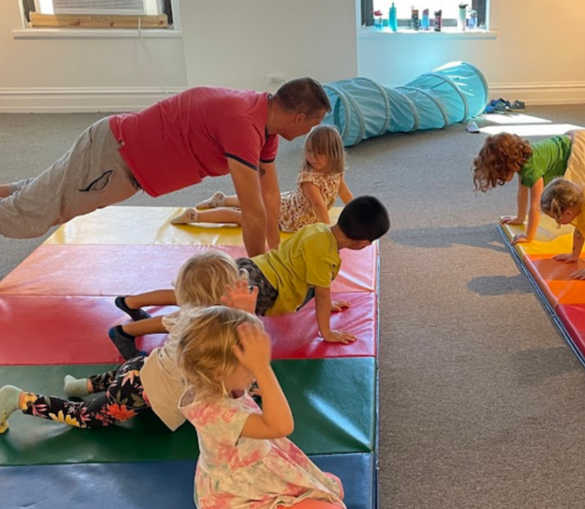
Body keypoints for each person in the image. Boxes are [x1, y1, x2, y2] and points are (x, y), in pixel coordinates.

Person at [0, 79, 331, 256]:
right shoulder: (245, 124)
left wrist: (273, 251)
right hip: (112, 161)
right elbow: (252, 208)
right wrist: (262, 272)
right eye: (311, 125)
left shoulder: (264, 126)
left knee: (38, 195)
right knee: (30, 218)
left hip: (113, 153)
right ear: (298, 118)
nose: (307, 134)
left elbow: (269, 193)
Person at [108, 196, 391, 359]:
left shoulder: (317, 229)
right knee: (199, 318)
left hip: (252, 266)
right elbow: (322, 289)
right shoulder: (327, 255)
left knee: (193, 292)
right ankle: (126, 332)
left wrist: (326, 303)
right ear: (363, 243)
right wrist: (326, 331)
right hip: (261, 288)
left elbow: (305, 272)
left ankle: (131, 301)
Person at [0, 251, 251, 434]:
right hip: (139, 391)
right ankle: (18, 398)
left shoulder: (186, 315)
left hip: (144, 367)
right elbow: (238, 359)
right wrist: (245, 315)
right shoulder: (214, 331)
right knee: (85, 417)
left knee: (123, 373)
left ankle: (79, 385)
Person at [178, 306, 346, 509]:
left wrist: (244, 312)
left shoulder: (214, 384)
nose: (253, 373)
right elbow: (281, 426)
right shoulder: (218, 413)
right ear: (221, 371)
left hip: (253, 484)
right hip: (243, 504)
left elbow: (231, 345)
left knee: (333, 488)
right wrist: (263, 369)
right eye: (248, 367)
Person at [174, 124, 353, 231]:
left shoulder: (336, 171)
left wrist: (358, 212)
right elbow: (318, 204)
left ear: (333, 153)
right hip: (286, 216)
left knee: (256, 201)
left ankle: (223, 199)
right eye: (309, 151)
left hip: (288, 204)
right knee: (243, 217)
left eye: (319, 153)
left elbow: (344, 192)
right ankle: (195, 216)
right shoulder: (309, 178)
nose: (312, 157)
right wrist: (328, 232)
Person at [472, 130, 585, 244]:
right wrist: (520, 218)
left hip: (581, 148)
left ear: (507, 164)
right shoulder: (522, 161)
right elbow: (522, 193)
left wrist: (529, 236)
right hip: (578, 138)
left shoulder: (531, 168)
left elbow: (536, 204)